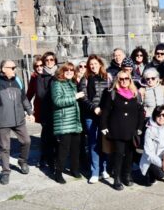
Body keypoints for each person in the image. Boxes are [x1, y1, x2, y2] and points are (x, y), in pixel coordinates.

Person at [0, 60, 34, 185]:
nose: (14, 69)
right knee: (4, 147)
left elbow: (24, 98)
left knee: (27, 141)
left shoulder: (18, 81)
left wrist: (30, 112)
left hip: (19, 119)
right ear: (3, 69)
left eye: (15, 67)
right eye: (11, 67)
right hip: (3, 120)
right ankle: (5, 172)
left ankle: (22, 161)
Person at [100, 71, 145, 190]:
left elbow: (141, 112)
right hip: (117, 129)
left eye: (126, 79)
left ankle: (127, 175)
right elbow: (106, 112)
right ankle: (117, 179)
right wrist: (104, 126)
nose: (124, 81)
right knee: (119, 154)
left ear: (130, 80)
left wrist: (140, 128)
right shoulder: (112, 93)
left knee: (130, 154)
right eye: (121, 79)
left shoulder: (136, 94)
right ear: (117, 80)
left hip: (132, 130)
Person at [78, 55, 111, 184]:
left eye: (95, 63)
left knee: (105, 142)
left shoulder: (107, 77)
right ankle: (95, 172)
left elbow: (110, 94)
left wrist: (106, 110)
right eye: (91, 64)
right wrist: (94, 108)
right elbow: (83, 97)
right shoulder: (85, 79)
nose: (93, 66)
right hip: (91, 115)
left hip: (105, 115)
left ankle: (104, 169)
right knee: (93, 143)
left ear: (100, 64)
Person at [51, 62, 84, 184]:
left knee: (76, 148)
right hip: (64, 121)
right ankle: (58, 172)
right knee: (63, 149)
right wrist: (74, 97)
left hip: (75, 120)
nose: (70, 72)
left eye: (71, 70)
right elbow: (57, 101)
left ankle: (74, 170)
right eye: (67, 70)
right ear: (62, 72)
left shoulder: (73, 83)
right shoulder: (57, 84)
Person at [36, 51, 58, 169]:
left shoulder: (60, 73)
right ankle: (45, 158)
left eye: (52, 59)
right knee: (47, 137)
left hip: (59, 110)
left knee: (58, 136)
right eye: (47, 60)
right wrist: (56, 96)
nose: (49, 62)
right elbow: (40, 94)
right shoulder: (41, 76)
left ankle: (56, 158)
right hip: (47, 111)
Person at [26, 56, 44, 127]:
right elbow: (30, 93)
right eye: (37, 66)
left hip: (51, 105)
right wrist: (27, 108)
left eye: (41, 65)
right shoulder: (34, 77)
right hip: (40, 106)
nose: (39, 67)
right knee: (45, 127)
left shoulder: (51, 75)